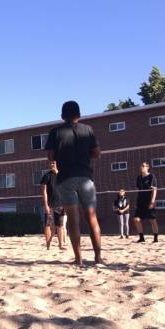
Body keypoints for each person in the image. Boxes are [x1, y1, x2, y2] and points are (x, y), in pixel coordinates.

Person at [45, 101, 103, 266]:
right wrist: (84, 155)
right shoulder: (88, 129)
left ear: (62, 115)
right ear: (79, 114)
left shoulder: (55, 132)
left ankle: (79, 259)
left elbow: (50, 156)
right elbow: (97, 153)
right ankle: (98, 257)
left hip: (66, 178)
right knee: (92, 217)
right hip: (85, 177)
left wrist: (63, 155)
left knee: (73, 219)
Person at [40, 160, 66, 250]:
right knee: (48, 225)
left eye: (53, 163)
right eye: (50, 163)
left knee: (60, 225)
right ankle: (48, 245)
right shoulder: (46, 176)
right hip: (50, 205)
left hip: (61, 204)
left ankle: (60, 245)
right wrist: (46, 205)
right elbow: (44, 192)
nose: (51, 164)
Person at [133, 161, 159, 243]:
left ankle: (155, 238)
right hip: (140, 201)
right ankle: (141, 238)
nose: (141, 167)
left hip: (149, 200)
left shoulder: (151, 176)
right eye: (141, 166)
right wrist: (136, 201)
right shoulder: (139, 177)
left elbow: (154, 190)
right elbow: (138, 190)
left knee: (152, 220)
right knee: (136, 219)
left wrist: (152, 201)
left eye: (143, 166)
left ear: (148, 167)